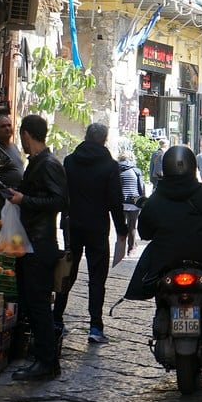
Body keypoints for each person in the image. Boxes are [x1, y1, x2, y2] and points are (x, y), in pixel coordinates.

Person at [125, 146, 202, 330]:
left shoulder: (157, 198)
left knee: (154, 281)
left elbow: (145, 232)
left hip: (165, 258)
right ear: (192, 167)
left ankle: (164, 317)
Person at [53, 123, 128, 343]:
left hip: (73, 226)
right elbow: (115, 201)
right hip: (97, 227)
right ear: (104, 140)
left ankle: (56, 319)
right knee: (97, 278)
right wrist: (122, 230)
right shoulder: (109, 166)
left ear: (86, 137)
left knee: (67, 272)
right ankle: (96, 327)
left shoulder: (69, 161)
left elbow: (63, 195)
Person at [7, 114, 68, 381]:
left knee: (39, 304)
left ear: (26, 135)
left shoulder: (48, 164)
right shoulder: (38, 163)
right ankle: (44, 359)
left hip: (40, 244)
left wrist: (25, 200)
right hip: (32, 242)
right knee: (33, 302)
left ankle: (46, 362)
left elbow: (59, 201)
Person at [117, 148, 146, 257]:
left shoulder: (117, 170)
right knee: (132, 226)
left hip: (121, 200)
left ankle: (120, 248)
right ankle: (131, 249)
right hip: (134, 200)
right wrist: (142, 200)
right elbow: (141, 187)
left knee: (121, 225)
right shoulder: (136, 170)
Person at [0, 114, 25, 189]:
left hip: (18, 192)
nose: (7, 128)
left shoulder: (14, 146)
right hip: (3, 194)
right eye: (3, 126)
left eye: (9, 125)